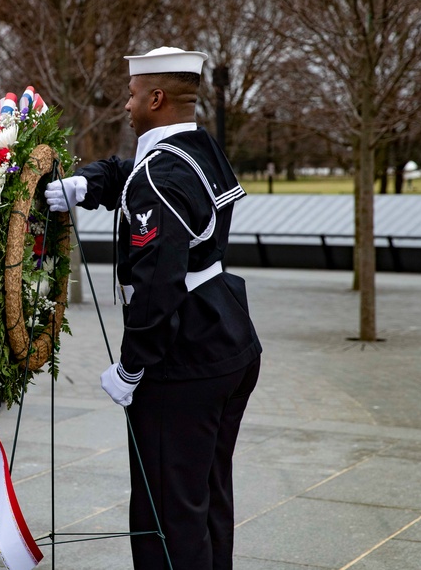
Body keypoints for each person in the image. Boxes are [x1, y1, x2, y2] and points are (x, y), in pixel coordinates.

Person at [45, 47, 262, 569]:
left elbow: (154, 289)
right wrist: (87, 184)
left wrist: (132, 364)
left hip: (182, 357)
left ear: (156, 98)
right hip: (226, 335)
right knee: (204, 495)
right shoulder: (197, 145)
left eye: (132, 93)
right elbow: (134, 171)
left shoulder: (160, 176)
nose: (125, 103)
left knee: (166, 512)